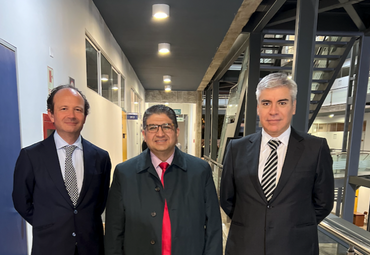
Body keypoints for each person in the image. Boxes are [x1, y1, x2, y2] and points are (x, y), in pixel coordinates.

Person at [220, 73, 334, 255]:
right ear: (258, 108)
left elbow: (324, 203)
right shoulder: (236, 148)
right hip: (245, 246)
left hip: (295, 247)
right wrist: (255, 223)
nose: (273, 111)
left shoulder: (316, 148)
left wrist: (291, 226)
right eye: (266, 103)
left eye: (282, 102)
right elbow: (227, 199)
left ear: (293, 106)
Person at [104, 104, 222, 255]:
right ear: (144, 134)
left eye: (166, 126)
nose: (160, 133)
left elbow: (213, 226)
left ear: (176, 131)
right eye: (152, 127)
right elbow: (114, 230)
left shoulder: (200, 170)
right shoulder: (124, 173)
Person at [12, 85, 112, 255]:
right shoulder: (31, 156)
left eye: (78, 109)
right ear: (51, 114)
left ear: (85, 116)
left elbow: (100, 203)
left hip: (91, 247)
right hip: (49, 247)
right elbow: (22, 202)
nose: (71, 115)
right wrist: (47, 223)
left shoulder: (101, 157)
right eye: (63, 109)